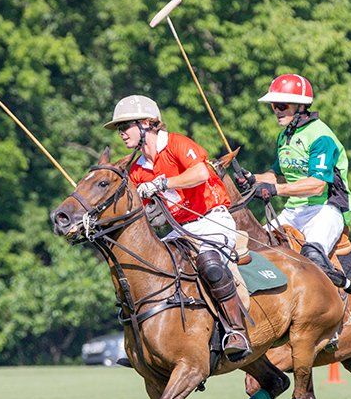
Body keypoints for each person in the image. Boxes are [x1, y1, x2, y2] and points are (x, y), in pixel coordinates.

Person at [103, 95, 251, 361]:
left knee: (210, 263)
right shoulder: (137, 169)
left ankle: (235, 330)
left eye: (126, 126)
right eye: (119, 129)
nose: (121, 134)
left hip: (211, 219)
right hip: (179, 229)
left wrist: (162, 183)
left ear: (147, 123)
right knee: (152, 267)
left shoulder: (177, 144)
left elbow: (201, 174)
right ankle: (146, 342)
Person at [242, 74, 351, 297]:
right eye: (273, 106)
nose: (277, 110)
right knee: (255, 248)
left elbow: (317, 185)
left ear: (301, 106)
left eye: (282, 105)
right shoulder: (285, 136)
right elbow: (278, 176)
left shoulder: (321, 137)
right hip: (294, 210)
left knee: (312, 257)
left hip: (327, 209)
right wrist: (253, 179)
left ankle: (334, 316)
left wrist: (276, 190)